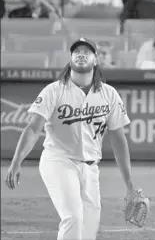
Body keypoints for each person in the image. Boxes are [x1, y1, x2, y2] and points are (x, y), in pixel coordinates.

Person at [5, 38, 141, 239]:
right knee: (73, 217)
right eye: (77, 51)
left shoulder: (109, 94)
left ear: (96, 60)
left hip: (91, 167)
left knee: (88, 229)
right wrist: (16, 162)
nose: (81, 54)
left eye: (88, 51)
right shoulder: (54, 90)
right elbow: (33, 129)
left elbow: (119, 139)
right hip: (59, 160)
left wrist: (129, 185)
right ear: (70, 60)